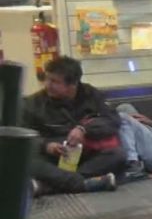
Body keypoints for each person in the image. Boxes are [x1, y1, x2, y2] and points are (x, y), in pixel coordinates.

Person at [22, 57, 123, 194]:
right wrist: (46, 145)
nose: (48, 85)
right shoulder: (34, 103)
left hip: (85, 155)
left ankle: (49, 187)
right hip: (53, 156)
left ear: (73, 84)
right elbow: (24, 135)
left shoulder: (91, 95)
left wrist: (84, 129)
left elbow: (112, 120)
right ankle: (82, 183)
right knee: (26, 162)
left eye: (55, 81)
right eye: (47, 79)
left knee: (118, 154)